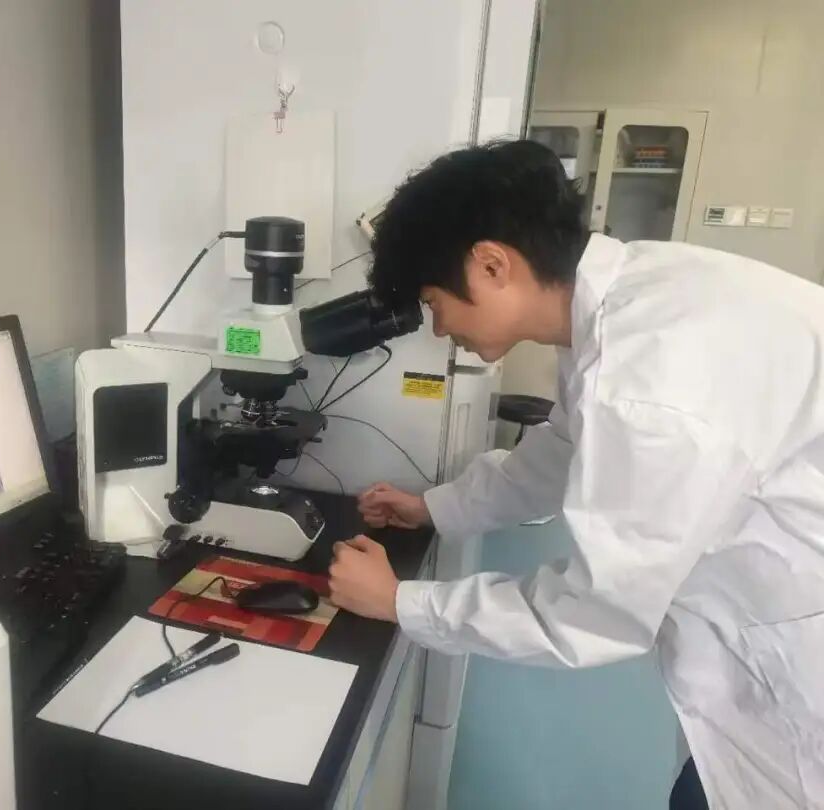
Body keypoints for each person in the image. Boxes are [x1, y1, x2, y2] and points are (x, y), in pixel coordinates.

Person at [326, 140, 824, 810]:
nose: (439, 329)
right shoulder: (630, 299)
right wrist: (436, 508)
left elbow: (596, 612)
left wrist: (400, 603)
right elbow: (564, 446)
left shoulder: (648, 377)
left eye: (434, 302)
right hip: (759, 632)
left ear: (492, 264)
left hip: (796, 680)